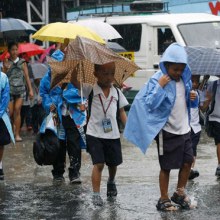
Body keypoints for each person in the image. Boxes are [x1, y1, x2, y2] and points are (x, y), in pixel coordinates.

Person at [124, 43, 198, 211]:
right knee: (166, 166)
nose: (178, 73)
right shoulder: (158, 79)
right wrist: (160, 86)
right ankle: (163, 199)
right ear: (166, 66)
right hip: (167, 131)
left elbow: (190, 104)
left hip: (184, 129)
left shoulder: (185, 80)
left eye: (181, 69)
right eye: (175, 70)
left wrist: (193, 97)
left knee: (188, 162)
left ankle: (179, 193)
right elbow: (150, 103)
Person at [73, 62, 128, 206]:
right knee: (99, 163)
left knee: (113, 163)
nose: (109, 77)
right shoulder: (90, 89)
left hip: (113, 134)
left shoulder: (117, 92)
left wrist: (127, 127)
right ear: (95, 73)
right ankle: (96, 194)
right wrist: (75, 69)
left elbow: (121, 112)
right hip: (94, 133)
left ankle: (111, 181)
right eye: (105, 73)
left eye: (111, 73)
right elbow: (74, 83)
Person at [40, 43, 86, 183]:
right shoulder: (47, 78)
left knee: (74, 143)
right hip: (55, 116)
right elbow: (44, 94)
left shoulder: (72, 77)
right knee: (57, 143)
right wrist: (49, 104)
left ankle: (74, 172)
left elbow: (78, 92)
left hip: (71, 114)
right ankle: (58, 172)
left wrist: (65, 94)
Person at [2, 42, 33, 142]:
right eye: (12, 50)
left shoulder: (22, 62)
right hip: (9, 90)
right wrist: (5, 69)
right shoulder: (6, 61)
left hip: (20, 90)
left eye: (16, 49)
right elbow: (3, 76)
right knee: (10, 112)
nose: (15, 52)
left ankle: (17, 134)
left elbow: (27, 76)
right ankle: (11, 130)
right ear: (9, 51)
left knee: (17, 110)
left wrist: (31, 90)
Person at [203, 76, 220, 177]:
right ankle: (219, 165)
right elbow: (206, 102)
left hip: (215, 117)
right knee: (219, 141)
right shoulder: (213, 85)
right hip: (216, 117)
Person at [0, 71, 15, 180]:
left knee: (1, 142)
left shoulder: (3, 77)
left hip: (1, 115)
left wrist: (0, 112)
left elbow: (6, 97)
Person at [188, 75, 202, 180]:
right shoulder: (184, 93)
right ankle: (186, 168)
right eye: (192, 81)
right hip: (186, 125)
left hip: (196, 126)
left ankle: (191, 169)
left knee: (193, 148)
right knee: (186, 148)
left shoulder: (199, 93)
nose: (194, 83)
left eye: (196, 81)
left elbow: (202, 108)